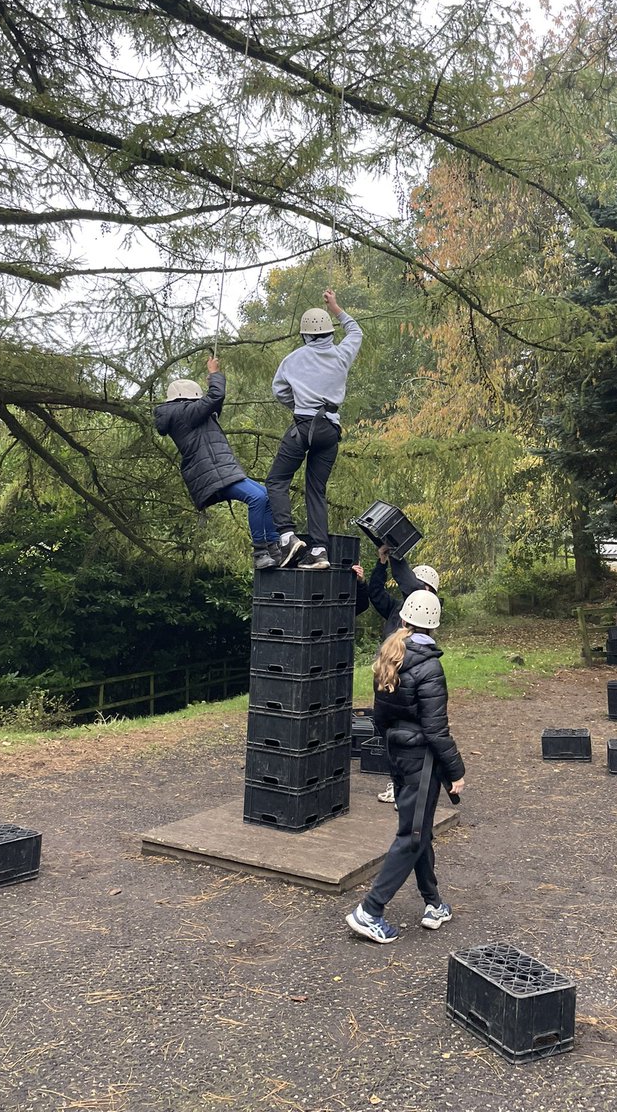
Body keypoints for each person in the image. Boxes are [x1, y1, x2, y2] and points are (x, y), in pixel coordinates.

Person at [345, 590, 465, 944]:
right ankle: (369, 911)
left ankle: (434, 904)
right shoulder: (430, 666)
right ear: (434, 625)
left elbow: (379, 715)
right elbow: (436, 729)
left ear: (404, 619)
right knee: (411, 837)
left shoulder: (388, 653)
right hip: (420, 760)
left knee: (419, 830)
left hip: (396, 754)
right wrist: (456, 771)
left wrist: (393, 746)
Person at [266, 289, 362, 569]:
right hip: (330, 429)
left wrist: (299, 404)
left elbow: (279, 390)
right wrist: (335, 307)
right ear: (330, 332)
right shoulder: (342, 354)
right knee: (316, 490)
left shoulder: (292, 360)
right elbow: (355, 331)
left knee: (276, 481)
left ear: (305, 336)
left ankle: (287, 536)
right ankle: (319, 550)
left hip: (305, 425)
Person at [154, 357, 279, 569]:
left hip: (216, 470)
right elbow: (215, 395)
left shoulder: (187, 414)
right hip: (213, 472)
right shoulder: (184, 413)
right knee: (258, 497)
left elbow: (214, 403)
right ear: (190, 398)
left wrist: (214, 384)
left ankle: (274, 545)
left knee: (266, 495)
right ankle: (261, 551)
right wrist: (214, 374)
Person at [368, 547, 441, 804]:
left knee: (412, 733)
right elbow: (376, 594)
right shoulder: (398, 609)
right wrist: (381, 564)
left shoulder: (423, 612)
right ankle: (398, 785)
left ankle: (411, 789)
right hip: (387, 675)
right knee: (389, 733)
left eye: (420, 585)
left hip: (409, 677)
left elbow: (408, 583)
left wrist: (397, 556)